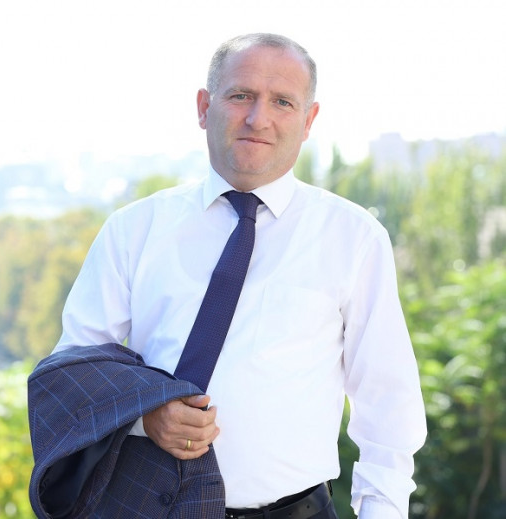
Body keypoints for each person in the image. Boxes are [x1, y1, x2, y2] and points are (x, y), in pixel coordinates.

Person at [49, 33, 426, 518]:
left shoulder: (354, 237)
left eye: (282, 101)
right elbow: (73, 375)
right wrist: (144, 416)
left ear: (309, 120)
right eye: (241, 95)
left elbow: (387, 400)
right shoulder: (133, 230)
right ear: (204, 107)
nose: (258, 118)